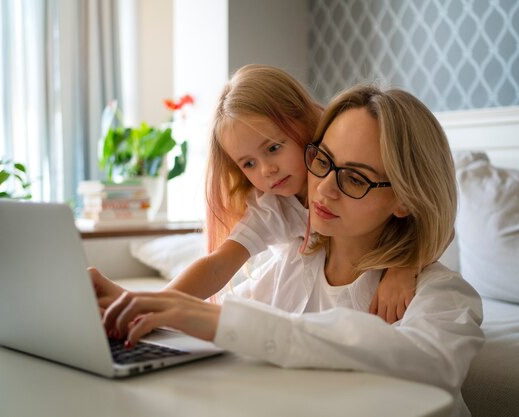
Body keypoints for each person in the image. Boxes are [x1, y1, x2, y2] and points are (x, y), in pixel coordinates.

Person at [101, 85, 485, 417]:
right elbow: (225, 329)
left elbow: (431, 362)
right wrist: (139, 306)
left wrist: (219, 321)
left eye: (354, 177)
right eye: (322, 160)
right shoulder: (290, 265)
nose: (323, 189)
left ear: (404, 200)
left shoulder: (441, 296)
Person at [93, 64, 417, 322]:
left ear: (304, 123)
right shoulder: (275, 205)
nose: (267, 171)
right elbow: (218, 264)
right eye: (248, 163)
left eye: (274, 147)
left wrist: (405, 266)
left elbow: (430, 216)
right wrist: (149, 304)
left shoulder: (361, 178)